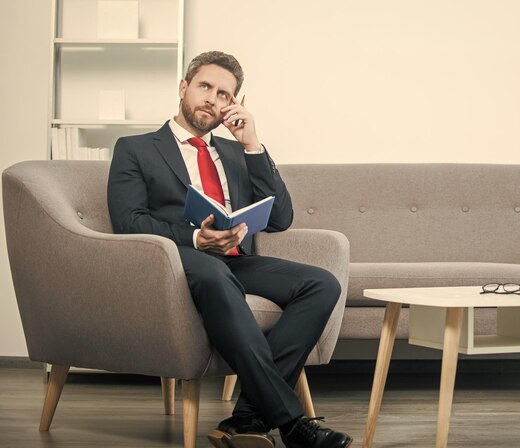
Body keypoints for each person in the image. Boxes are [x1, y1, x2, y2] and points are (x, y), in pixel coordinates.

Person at [107, 51, 353, 448]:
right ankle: (292, 424)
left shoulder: (236, 152)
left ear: (234, 104)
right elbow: (128, 221)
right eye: (205, 87)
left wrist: (252, 143)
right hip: (178, 261)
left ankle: (247, 418)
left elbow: (280, 218)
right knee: (212, 271)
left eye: (225, 94)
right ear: (184, 87)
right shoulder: (135, 148)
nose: (213, 99)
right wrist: (195, 238)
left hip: (235, 261)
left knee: (320, 283)